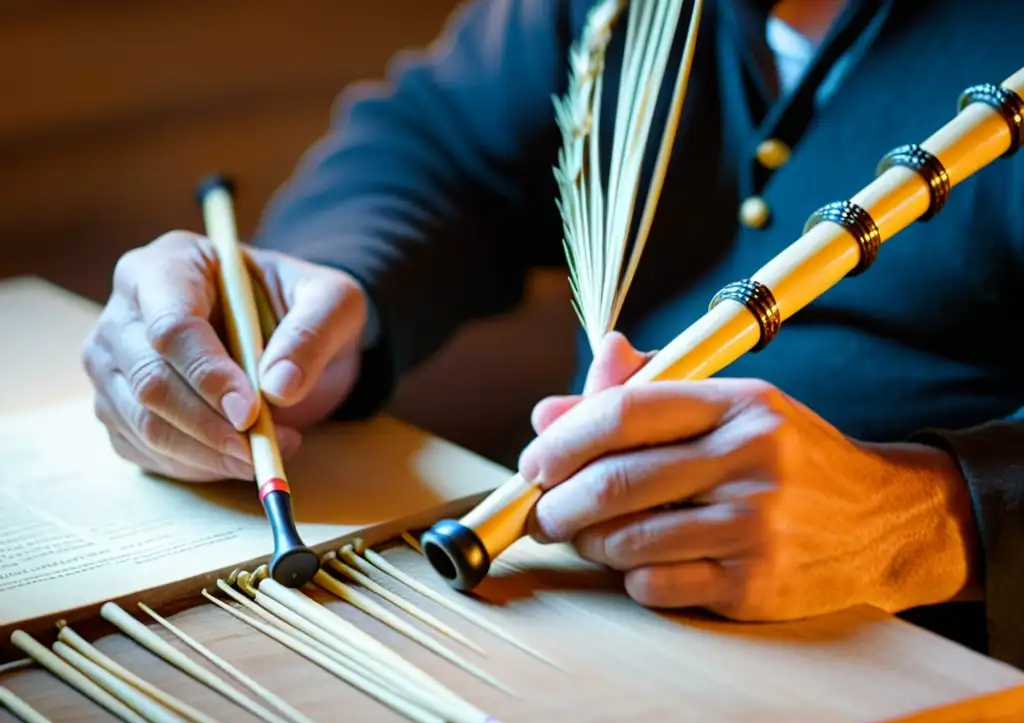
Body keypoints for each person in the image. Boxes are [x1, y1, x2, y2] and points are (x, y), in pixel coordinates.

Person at [81, 0, 1024, 669]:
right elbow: (437, 144)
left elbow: (948, 526)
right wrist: (316, 295)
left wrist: (938, 521)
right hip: (599, 648)